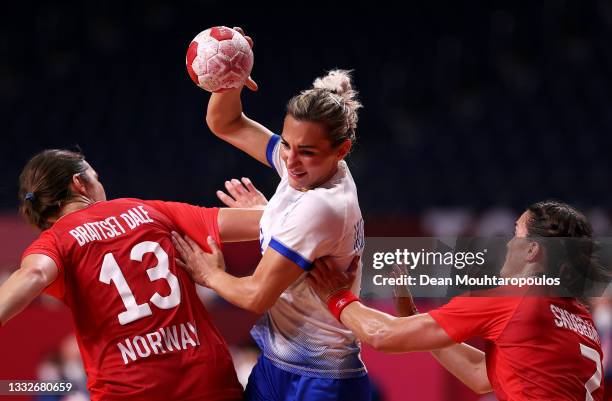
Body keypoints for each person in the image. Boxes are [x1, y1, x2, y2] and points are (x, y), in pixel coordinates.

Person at [172, 27, 370, 401]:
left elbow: (256, 295)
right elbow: (226, 124)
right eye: (288, 144)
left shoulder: (323, 206)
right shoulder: (308, 169)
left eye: (306, 152)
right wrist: (229, 80)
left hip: (324, 381)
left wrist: (210, 274)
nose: (290, 161)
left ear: (342, 150)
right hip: (277, 364)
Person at [0, 149, 263, 401]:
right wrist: (261, 208)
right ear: (79, 183)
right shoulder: (150, 210)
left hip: (128, 390)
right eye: (96, 177)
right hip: (206, 382)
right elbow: (263, 224)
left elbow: (33, 273)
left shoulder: (56, 242)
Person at [307, 201, 607, 401]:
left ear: (531, 251)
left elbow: (381, 335)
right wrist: (412, 315)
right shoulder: (581, 319)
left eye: (516, 234)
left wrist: (337, 297)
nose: (507, 243)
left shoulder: (514, 297)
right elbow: (480, 376)